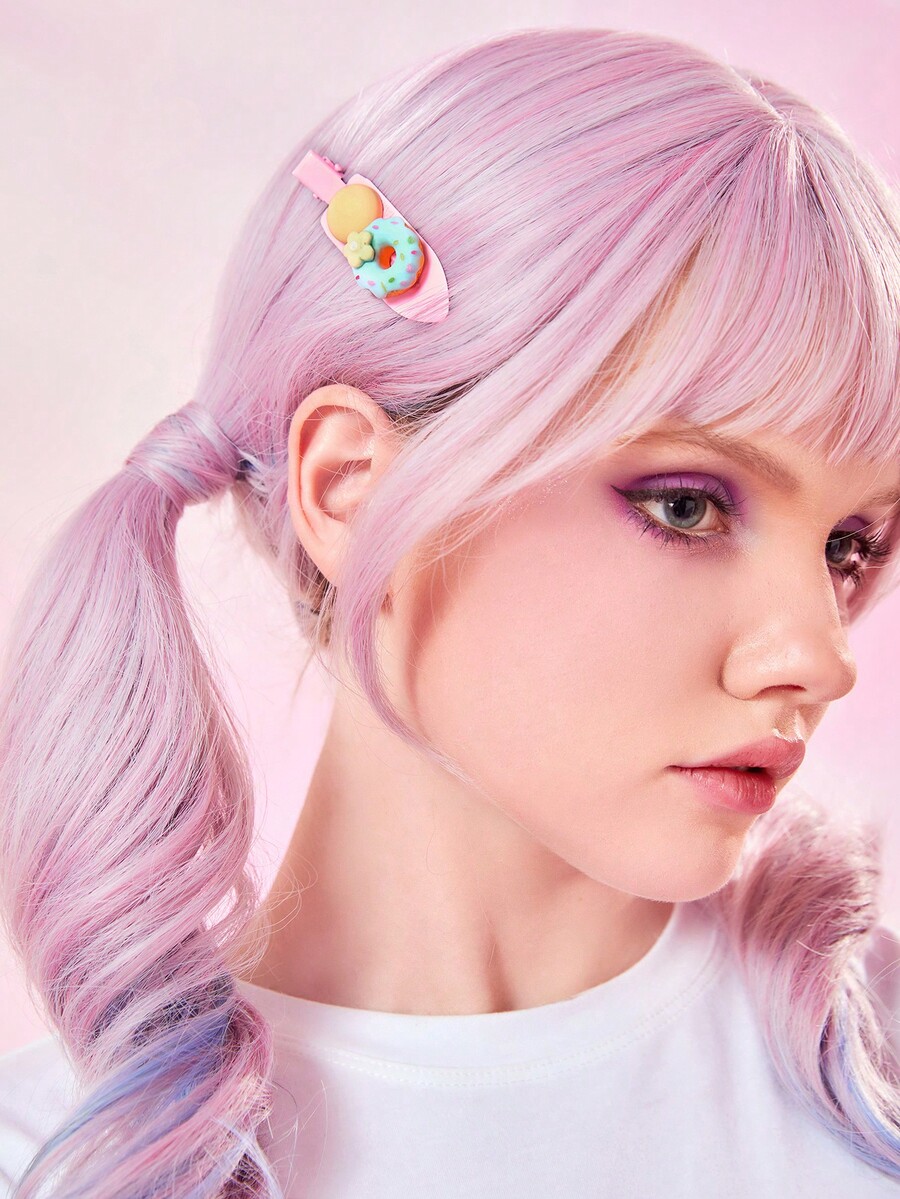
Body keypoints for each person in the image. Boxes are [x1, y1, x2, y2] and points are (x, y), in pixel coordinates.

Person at [1, 24, 900, 1199]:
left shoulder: (871, 1068)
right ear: (352, 487)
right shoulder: (62, 1162)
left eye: (849, 545)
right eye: (686, 504)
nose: (822, 656)